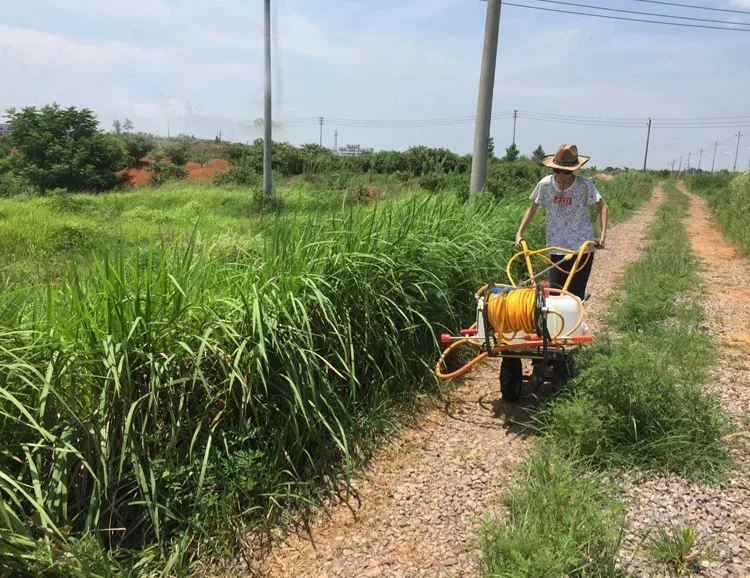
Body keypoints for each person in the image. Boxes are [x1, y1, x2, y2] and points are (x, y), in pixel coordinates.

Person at [514, 143, 608, 301]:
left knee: (575, 296)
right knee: (554, 295)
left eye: (566, 171)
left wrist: (603, 235)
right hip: (557, 246)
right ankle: (556, 326)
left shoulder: (585, 185)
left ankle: (574, 323)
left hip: (582, 248)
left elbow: (603, 207)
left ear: (574, 169)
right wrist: (519, 233)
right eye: (557, 170)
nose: (561, 175)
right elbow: (532, 209)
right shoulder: (545, 184)